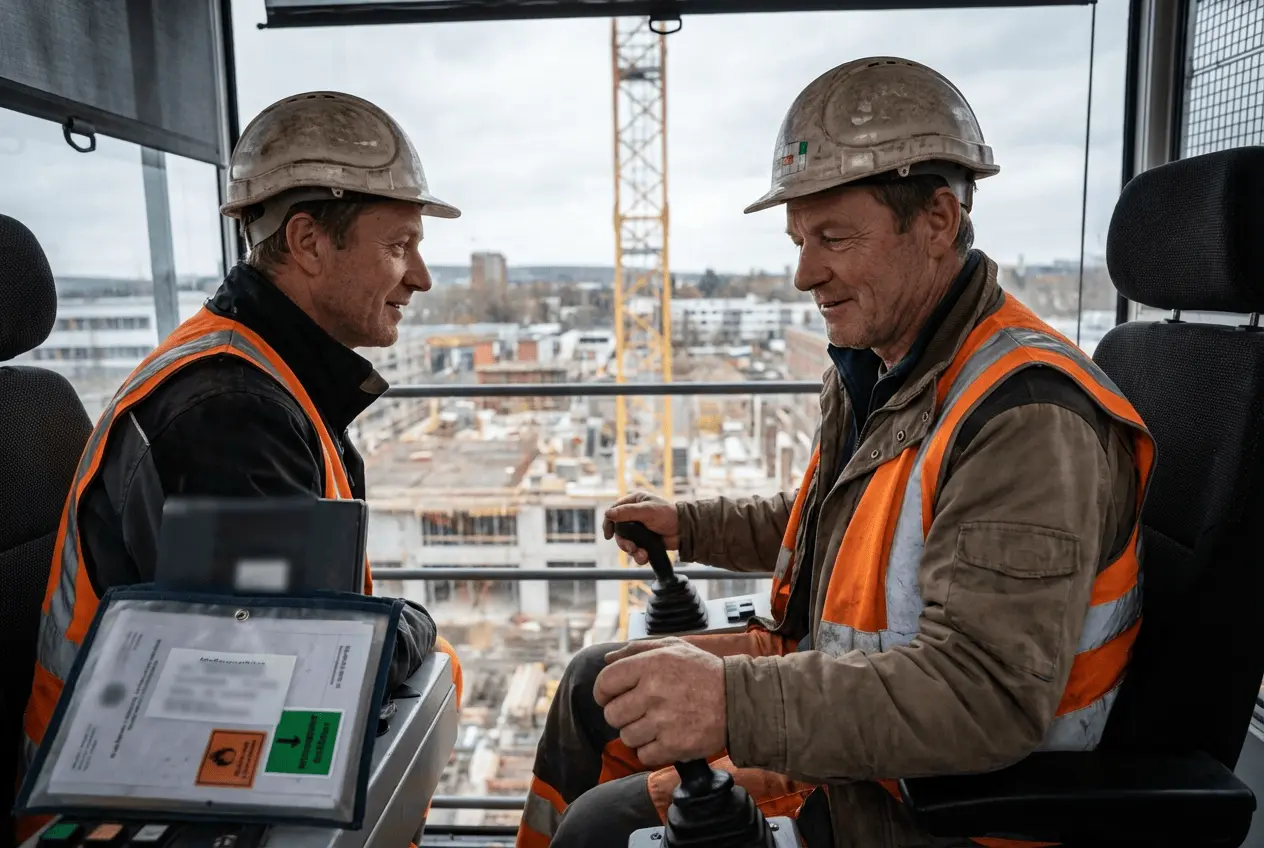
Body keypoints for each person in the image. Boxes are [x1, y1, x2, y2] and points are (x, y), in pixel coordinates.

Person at [516, 57, 1155, 848]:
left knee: (600, 830)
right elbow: (845, 528)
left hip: (932, 803)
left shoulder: (1026, 418)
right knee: (597, 685)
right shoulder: (888, 365)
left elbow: (983, 697)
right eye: (798, 240)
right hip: (857, 716)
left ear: (938, 221)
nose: (802, 274)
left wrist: (731, 702)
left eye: (833, 238)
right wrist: (694, 524)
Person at [20, 91, 464, 836]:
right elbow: (296, 666)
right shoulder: (228, 409)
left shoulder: (264, 373)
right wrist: (406, 623)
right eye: (399, 245)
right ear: (309, 241)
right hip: (115, 810)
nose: (420, 277)